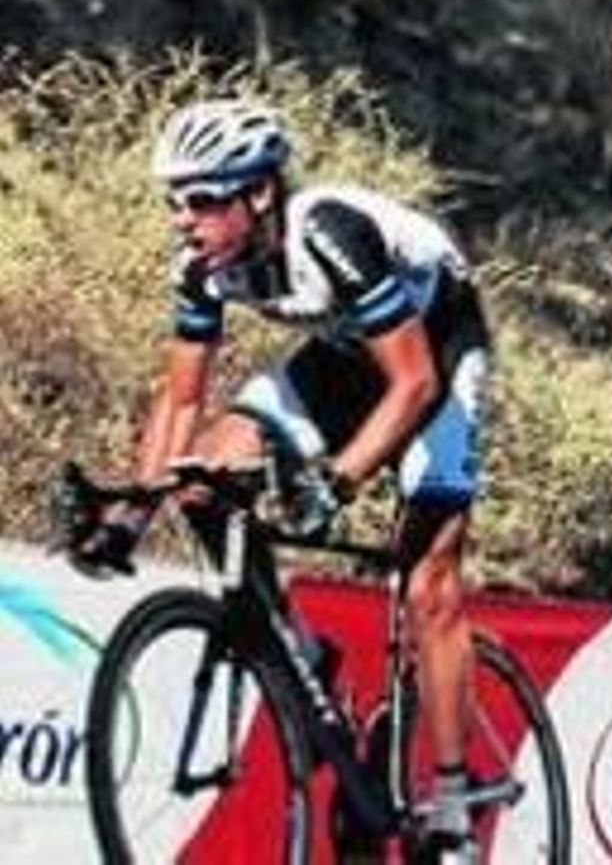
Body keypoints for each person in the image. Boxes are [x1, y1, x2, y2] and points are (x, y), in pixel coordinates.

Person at [67, 99, 492, 862]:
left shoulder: (330, 234)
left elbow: (416, 385)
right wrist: (134, 510)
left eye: (201, 199)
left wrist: (341, 480)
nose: (182, 218)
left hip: (437, 350)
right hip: (341, 359)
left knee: (429, 579)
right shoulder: (202, 267)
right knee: (204, 478)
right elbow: (183, 400)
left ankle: (457, 798)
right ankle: (296, 647)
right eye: (173, 200)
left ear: (259, 193)